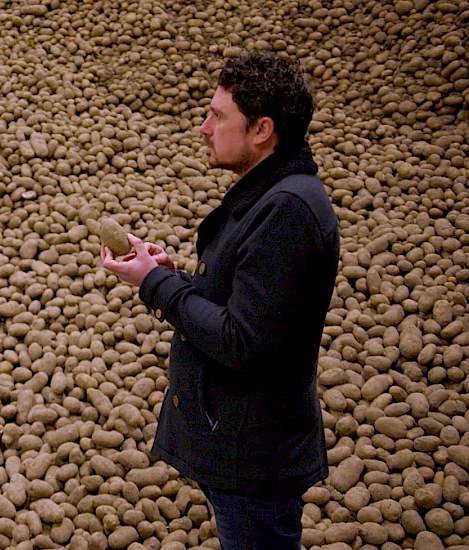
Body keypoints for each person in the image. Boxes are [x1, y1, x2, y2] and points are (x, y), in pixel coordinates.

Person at [102, 50, 339, 549]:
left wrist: (155, 286)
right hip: (241, 443)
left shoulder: (287, 212)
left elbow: (242, 339)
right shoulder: (270, 195)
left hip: (253, 457)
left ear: (261, 129)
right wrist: (170, 276)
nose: (204, 128)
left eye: (217, 116)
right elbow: (246, 303)